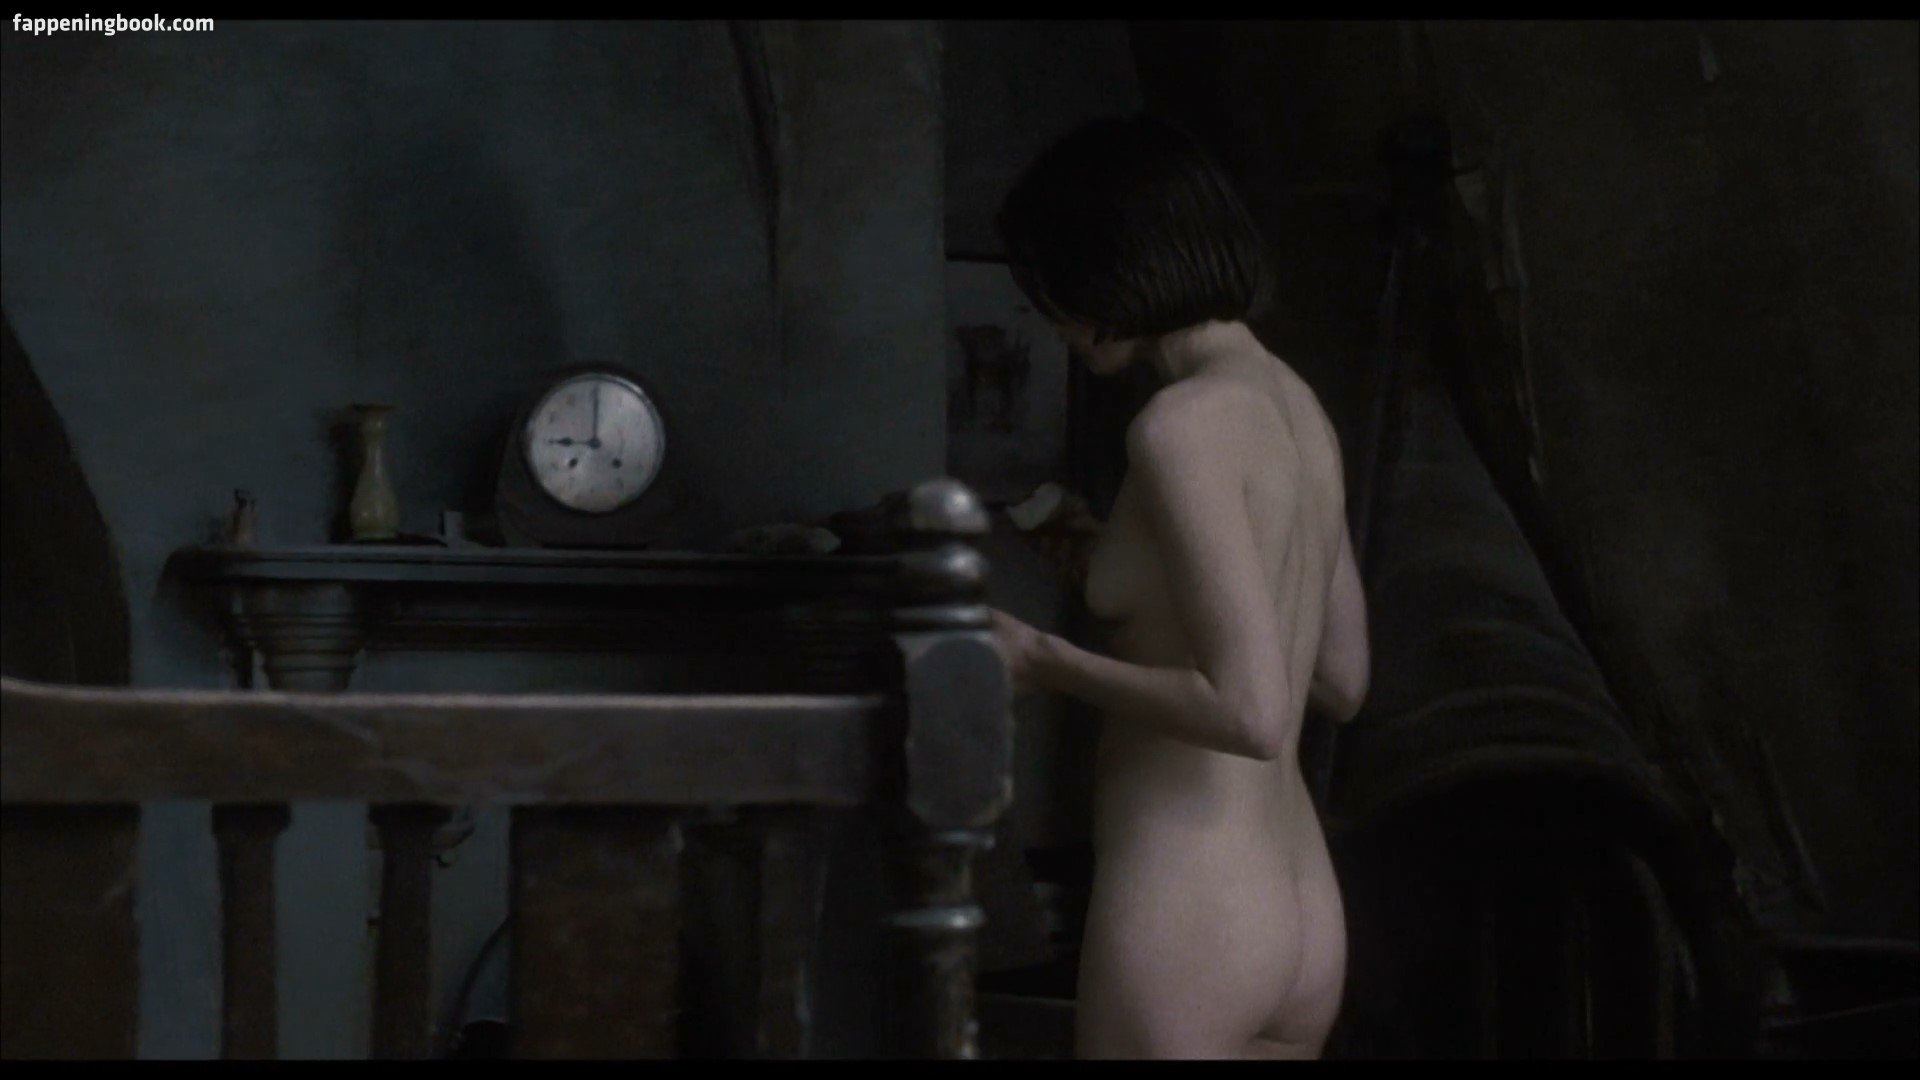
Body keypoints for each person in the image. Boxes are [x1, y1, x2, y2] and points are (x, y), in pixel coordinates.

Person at [987, 113, 1371, 1059]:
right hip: (1299, 901)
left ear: (1113, 266)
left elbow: (1251, 712)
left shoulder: (1179, 426)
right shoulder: (1296, 407)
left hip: (1190, 898)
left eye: (1053, 290)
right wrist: (1112, 565)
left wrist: (1041, 658)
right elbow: (1341, 679)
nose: (1054, 322)